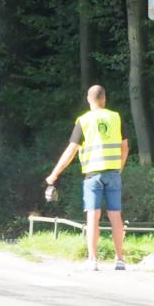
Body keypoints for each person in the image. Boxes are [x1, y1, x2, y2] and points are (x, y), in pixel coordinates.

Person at [45, 85, 129, 271]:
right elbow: (125, 148)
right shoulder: (115, 117)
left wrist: (54, 174)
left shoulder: (84, 121)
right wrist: (119, 169)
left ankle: (93, 260)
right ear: (104, 99)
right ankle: (120, 260)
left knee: (93, 216)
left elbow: (71, 150)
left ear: (89, 100)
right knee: (115, 216)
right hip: (114, 173)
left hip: (92, 175)